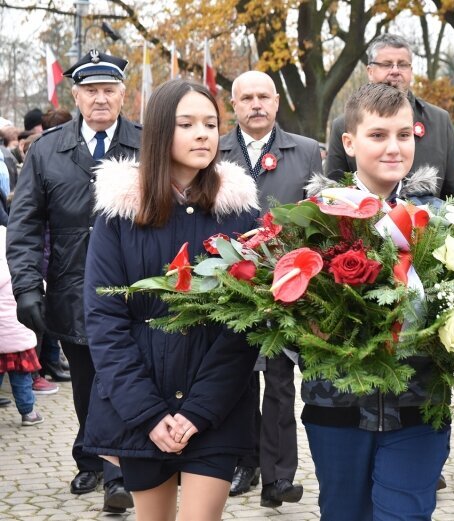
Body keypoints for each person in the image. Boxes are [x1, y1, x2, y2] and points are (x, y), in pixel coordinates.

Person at [82, 79, 260, 521]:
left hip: (215, 402)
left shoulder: (239, 213)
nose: (203, 134)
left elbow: (248, 320)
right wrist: (146, 412)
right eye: (187, 124)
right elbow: (104, 318)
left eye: (210, 124)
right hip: (141, 401)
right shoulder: (120, 213)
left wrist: (200, 409)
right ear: (161, 131)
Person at [303, 82, 450, 521]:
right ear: (349, 143)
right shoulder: (317, 217)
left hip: (419, 406)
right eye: (378, 135)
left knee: (405, 514)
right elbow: (284, 319)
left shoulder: (439, 219)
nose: (393, 147)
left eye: (404, 135)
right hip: (337, 408)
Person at [6, 49, 141, 511]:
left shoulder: (148, 144)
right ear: (76, 95)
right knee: (86, 381)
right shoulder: (47, 150)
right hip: (72, 286)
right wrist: (26, 287)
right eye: (91, 91)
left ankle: (119, 471)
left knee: (121, 376)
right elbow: (24, 224)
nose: (100, 99)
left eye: (109, 90)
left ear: (124, 95)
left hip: (136, 288)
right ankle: (91, 455)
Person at [219, 70, 318, 504]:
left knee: (280, 381)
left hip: (288, 284)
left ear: (277, 103)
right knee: (237, 380)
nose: (256, 104)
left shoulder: (308, 151)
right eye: (247, 98)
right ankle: (246, 463)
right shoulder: (215, 152)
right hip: (229, 285)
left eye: (264, 97)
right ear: (234, 106)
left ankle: (280, 476)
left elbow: (323, 216)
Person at [325, 33, 454, 200]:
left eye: (403, 65)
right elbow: (334, 190)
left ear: (411, 71)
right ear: (370, 71)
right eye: (387, 64)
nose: (395, 71)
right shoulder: (344, 123)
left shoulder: (439, 120)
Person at [0, 225, 45, 427]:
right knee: (22, 379)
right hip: (19, 339)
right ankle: (28, 413)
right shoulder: (20, 273)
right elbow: (41, 288)